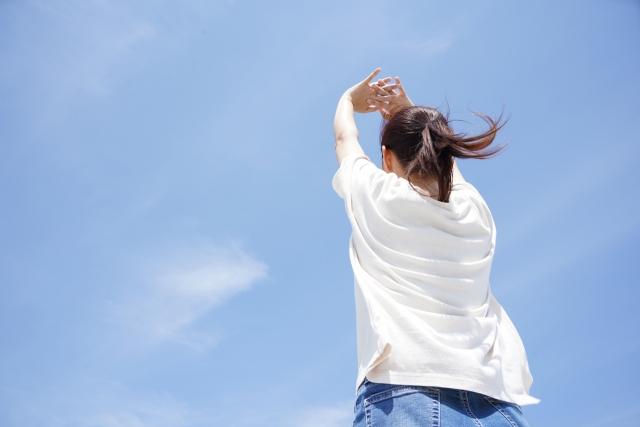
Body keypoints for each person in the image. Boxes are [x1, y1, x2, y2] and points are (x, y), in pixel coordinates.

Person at [332, 68, 538, 427]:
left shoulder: (377, 196)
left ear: (386, 157)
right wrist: (407, 110)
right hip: (496, 402)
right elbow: (450, 169)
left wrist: (347, 100)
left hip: (405, 388)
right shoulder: (473, 211)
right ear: (446, 153)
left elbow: (343, 138)